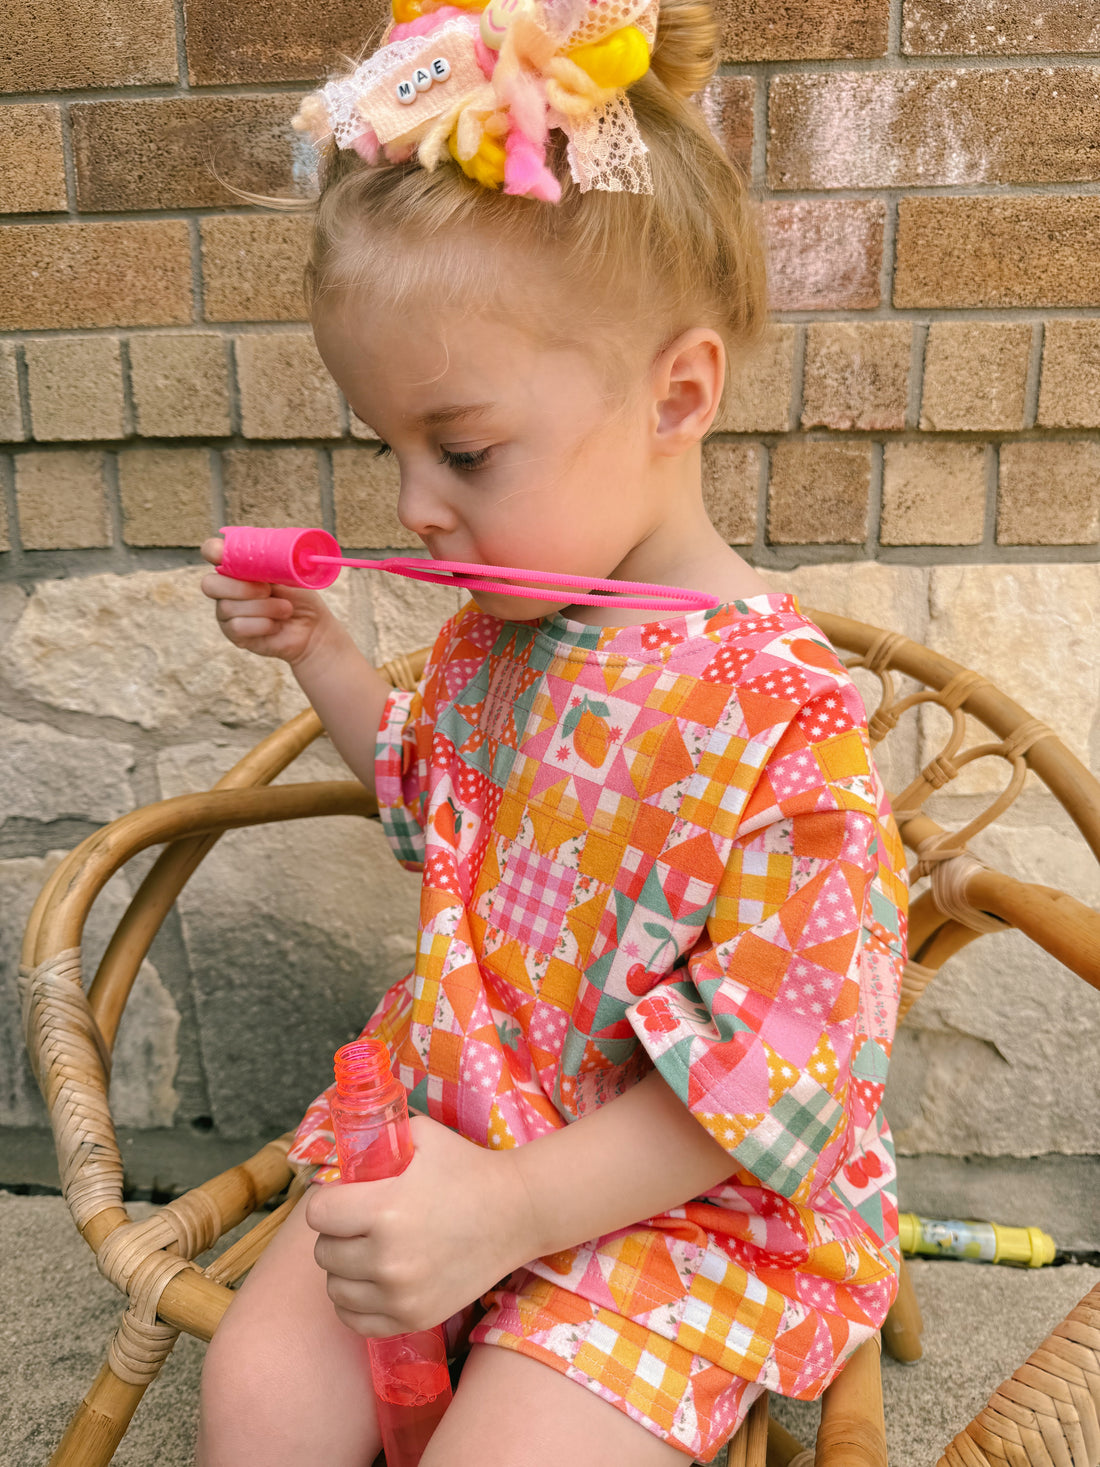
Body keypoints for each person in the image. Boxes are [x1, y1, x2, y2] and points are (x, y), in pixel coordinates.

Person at [196, 0, 908, 1460]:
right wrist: (324, 653)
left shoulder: (783, 723)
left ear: (676, 394)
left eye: (462, 450)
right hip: (454, 1123)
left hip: (670, 1210)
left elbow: (770, 1071)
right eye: (389, 448)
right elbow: (425, 793)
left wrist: (514, 1215)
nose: (415, 507)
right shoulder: (501, 632)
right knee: (257, 1399)